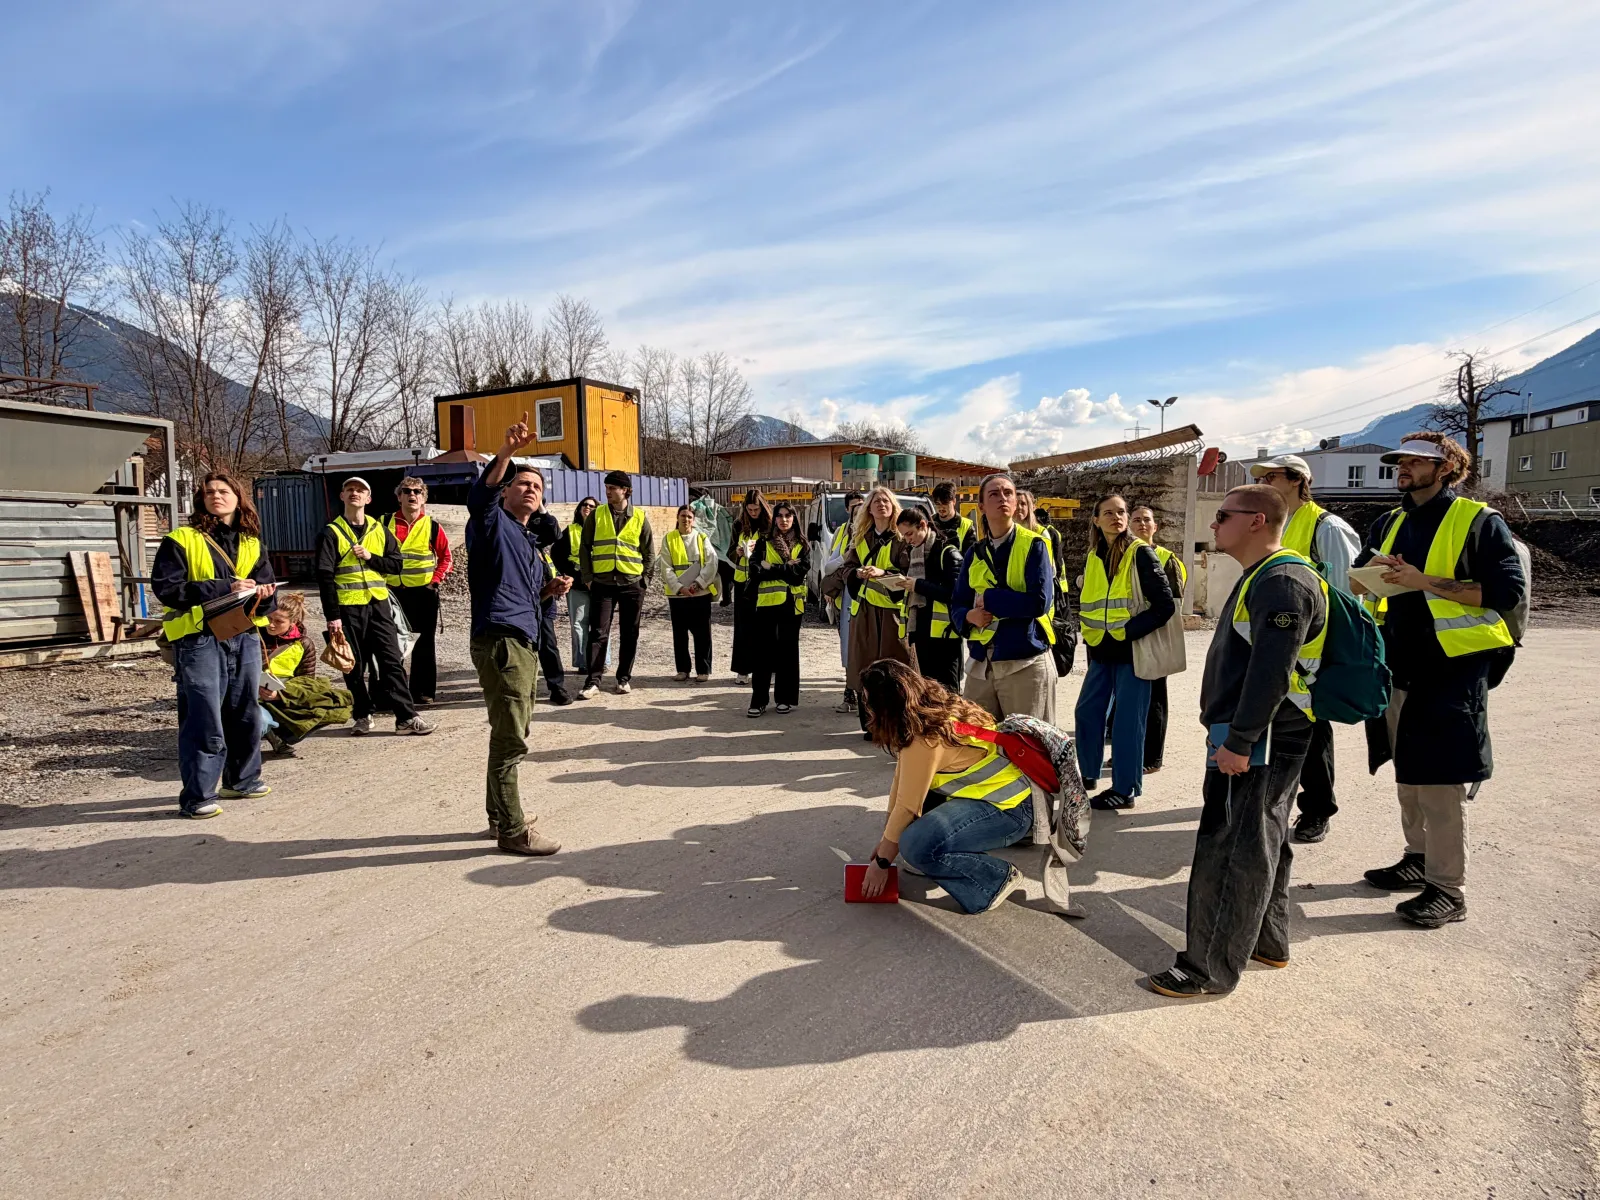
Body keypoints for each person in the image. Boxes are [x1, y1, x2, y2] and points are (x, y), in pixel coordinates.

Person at [1144, 484, 1327, 998]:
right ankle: (1267, 941)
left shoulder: (1283, 583)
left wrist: (1241, 742)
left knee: (1230, 848)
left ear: (1257, 521)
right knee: (1263, 839)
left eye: (1222, 515)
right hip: (1259, 735)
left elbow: (1271, 673)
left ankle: (1206, 969)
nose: (1213, 523)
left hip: (1261, 738)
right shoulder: (1265, 577)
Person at [1351, 432, 1524, 929]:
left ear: (1447, 467)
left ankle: (1449, 889)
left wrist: (1422, 580)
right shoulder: (1389, 521)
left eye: (1416, 461)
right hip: (1398, 666)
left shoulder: (1478, 521)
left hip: (1453, 669)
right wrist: (1369, 575)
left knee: (1441, 782)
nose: (1403, 467)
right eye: (1400, 460)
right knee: (1409, 773)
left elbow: (1505, 593)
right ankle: (1417, 859)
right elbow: (1362, 582)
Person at [466, 415, 574, 855]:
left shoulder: (528, 543)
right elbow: (480, 497)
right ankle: (512, 830)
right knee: (512, 737)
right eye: (522, 483)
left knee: (506, 732)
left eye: (538, 487)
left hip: (522, 639)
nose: (531, 489)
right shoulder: (490, 524)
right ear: (506, 491)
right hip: (503, 640)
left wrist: (548, 589)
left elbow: (529, 598)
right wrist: (506, 453)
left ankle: (499, 815)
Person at [855, 660, 1031, 914]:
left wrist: (882, 863)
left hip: (1011, 813)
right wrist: (886, 841)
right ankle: (954, 855)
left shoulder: (925, 740)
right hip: (1005, 803)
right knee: (910, 841)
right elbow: (902, 783)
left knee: (915, 846)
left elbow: (907, 806)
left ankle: (994, 880)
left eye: (869, 702)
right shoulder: (933, 711)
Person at [152, 470, 279, 818]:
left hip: (243, 635)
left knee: (245, 712)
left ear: (239, 498)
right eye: (209, 492)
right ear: (201, 499)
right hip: (199, 638)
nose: (216, 496)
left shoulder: (253, 542)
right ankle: (198, 796)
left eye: (223, 491)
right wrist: (225, 587)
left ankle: (242, 780)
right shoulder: (181, 539)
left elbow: (268, 594)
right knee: (203, 717)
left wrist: (264, 594)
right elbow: (167, 589)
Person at [1249, 453, 1361, 843]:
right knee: (1275, 725)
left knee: (1312, 731)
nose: (1264, 482)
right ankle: (1275, 796)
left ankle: (1317, 808)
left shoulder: (1327, 527)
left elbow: (1346, 597)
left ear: (1298, 480)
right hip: (1278, 644)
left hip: (1312, 649)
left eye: (1271, 476)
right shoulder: (1279, 524)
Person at [1073, 494, 1174, 810]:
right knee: (1086, 713)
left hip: (1131, 652)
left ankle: (1125, 790)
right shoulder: (1094, 555)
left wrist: (1127, 633)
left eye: (1121, 512)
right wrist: (1094, 638)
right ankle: (1088, 773)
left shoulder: (1140, 553)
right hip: (1102, 650)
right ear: (1096, 520)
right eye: (1108, 513)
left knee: (1128, 723)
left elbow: (1165, 605)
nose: (1116, 517)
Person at [314, 476, 436, 737]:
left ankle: (406, 717)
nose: (355, 493)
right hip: (347, 609)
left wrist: (371, 558)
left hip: (378, 605)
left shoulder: (379, 530)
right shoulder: (331, 532)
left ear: (368, 499)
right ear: (343, 497)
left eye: (360, 490)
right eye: (350, 490)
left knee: (392, 661)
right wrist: (332, 616)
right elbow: (324, 577)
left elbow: (396, 565)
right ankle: (362, 715)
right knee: (354, 665)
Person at [951, 472, 1058, 724]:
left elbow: (1039, 602)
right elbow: (957, 603)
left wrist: (990, 598)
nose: (1003, 498)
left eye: (1008, 493)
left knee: (1029, 749)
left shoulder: (1035, 545)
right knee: (977, 746)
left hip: (1025, 661)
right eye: (994, 494)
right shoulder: (974, 553)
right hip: (982, 664)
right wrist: (968, 616)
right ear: (981, 507)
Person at [826, 485, 915, 739]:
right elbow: (845, 568)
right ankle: (872, 725)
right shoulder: (861, 538)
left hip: (892, 614)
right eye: (876, 501)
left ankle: (899, 725)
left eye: (886, 500)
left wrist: (882, 574)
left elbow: (909, 575)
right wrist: (855, 573)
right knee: (865, 668)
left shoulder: (901, 539)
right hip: (863, 613)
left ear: (893, 507)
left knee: (897, 671)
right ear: (868, 508)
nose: (881, 504)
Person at [579, 470, 655, 698]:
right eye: (607, 487)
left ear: (625, 490)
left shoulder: (640, 517)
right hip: (602, 583)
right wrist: (588, 578)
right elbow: (585, 547)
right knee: (598, 633)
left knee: (630, 632)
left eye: (612, 488)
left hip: (632, 583)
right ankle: (593, 682)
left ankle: (623, 678)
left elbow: (649, 552)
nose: (608, 492)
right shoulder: (597, 514)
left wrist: (645, 581)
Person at [381, 476, 452, 706]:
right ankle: (392, 693)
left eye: (417, 492)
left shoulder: (432, 526)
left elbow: (446, 558)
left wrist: (435, 581)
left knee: (424, 645)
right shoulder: (383, 523)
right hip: (391, 594)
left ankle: (423, 692)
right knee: (390, 644)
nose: (412, 495)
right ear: (398, 496)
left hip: (423, 594)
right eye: (407, 491)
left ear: (424, 498)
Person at [1128, 504, 1187, 774]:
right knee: (1127, 702)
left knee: (1154, 699)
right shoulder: (1122, 555)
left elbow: (1172, 604)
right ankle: (1127, 753)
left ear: (1155, 527)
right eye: (1136, 520)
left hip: (1153, 635)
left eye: (1146, 520)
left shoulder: (1165, 558)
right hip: (1127, 635)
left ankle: (1152, 756)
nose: (1141, 524)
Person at [259, 592, 352, 756]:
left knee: (331, 703)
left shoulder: (304, 644)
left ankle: (281, 736)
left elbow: (307, 681)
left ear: (293, 621)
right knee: (260, 722)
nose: (271, 625)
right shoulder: (253, 636)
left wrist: (280, 694)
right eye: (269, 619)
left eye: (279, 621)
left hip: (280, 694)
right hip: (251, 694)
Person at [747, 500, 810, 716]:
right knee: (763, 653)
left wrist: (771, 567)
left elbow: (798, 574)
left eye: (788, 516)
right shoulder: (763, 542)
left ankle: (786, 698)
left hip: (793, 605)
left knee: (788, 653)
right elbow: (754, 570)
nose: (784, 520)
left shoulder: (803, 545)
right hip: (766, 605)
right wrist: (783, 568)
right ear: (774, 518)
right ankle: (758, 700)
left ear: (794, 518)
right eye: (780, 515)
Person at [897, 506, 964, 689]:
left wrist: (918, 585)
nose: (908, 540)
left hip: (945, 636)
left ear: (923, 525)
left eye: (910, 534)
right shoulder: (913, 554)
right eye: (904, 536)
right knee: (929, 689)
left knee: (948, 691)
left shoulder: (948, 553)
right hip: (921, 631)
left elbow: (956, 593)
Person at [657, 504, 719, 681]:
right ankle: (683, 669)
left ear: (694, 520)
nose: (686, 520)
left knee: (702, 633)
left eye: (689, 517)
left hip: (699, 593)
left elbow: (711, 562)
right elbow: (666, 567)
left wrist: (699, 583)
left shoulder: (701, 537)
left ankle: (703, 670)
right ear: (677, 518)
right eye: (683, 516)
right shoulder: (669, 539)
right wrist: (679, 587)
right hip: (677, 594)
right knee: (680, 633)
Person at [525, 489, 573, 706]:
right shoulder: (514, 530)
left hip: (544, 602)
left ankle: (556, 687)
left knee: (548, 645)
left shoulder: (539, 546)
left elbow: (554, 532)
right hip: (521, 603)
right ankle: (522, 688)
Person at [555, 497, 611, 677]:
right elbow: (558, 555)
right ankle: (582, 662)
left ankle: (602, 661)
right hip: (578, 584)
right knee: (579, 624)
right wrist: (572, 575)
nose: (588, 508)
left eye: (592, 506)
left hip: (600, 583)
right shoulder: (570, 531)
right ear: (579, 509)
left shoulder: (604, 531)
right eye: (585, 505)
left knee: (601, 624)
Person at [826, 491, 866, 714]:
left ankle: (865, 697)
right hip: (846, 599)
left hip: (868, 600)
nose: (858, 511)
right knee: (848, 649)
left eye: (862, 506)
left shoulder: (872, 533)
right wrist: (845, 557)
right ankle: (850, 693)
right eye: (854, 508)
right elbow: (829, 565)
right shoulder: (842, 532)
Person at [728, 489, 771, 685]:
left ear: (762, 507)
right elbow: (728, 552)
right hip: (742, 581)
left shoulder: (769, 526)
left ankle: (767, 668)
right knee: (743, 627)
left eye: (756, 509)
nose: (754, 513)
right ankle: (742, 669)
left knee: (764, 626)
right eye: (750, 509)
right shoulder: (738, 525)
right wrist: (737, 552)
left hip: (762, 581)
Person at [931, 481, 975, 555]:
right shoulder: (929, 522)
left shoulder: (966, 525)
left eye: (945, 503)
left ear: (954, 501)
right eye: (938, 504)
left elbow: (971, 557)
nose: (941, 507)